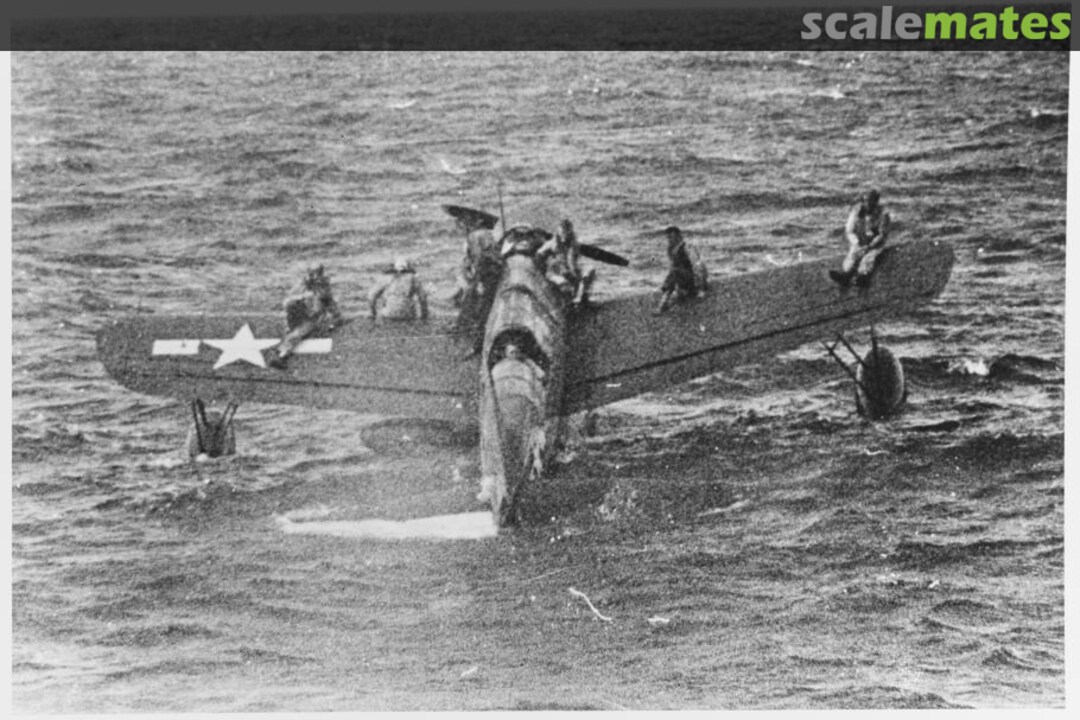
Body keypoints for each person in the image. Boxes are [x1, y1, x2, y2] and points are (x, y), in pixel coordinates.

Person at [269, 265, 344, 369]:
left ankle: (282, 356)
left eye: (316, 274)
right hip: (300, 314)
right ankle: (283, 348)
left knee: (296, 334)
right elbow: (289, 300)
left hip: (311, 319)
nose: (313, 277)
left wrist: (336, 318)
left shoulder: (322, 290)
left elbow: (330, 304)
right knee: (291, 310)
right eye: (312, 274)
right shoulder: (303, 286)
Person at [831, 188, 890, 288]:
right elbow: (849, 231)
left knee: (869, 257)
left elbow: (882, 234)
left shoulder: (883, 214)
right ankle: (845, 274)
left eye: (870, 201)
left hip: (875, 243)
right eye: (865, 200)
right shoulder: (856, 211)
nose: (868, 204)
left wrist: (870, 246)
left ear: (875, 201)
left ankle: (862, 275)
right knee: (853, 255)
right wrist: (856, 242)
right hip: (860, 240)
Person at [538, 218, 596, 306]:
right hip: (555, 273)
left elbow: (572, 262)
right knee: (564, 284)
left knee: (590, 270)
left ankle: (581, 297)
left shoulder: (575, 244)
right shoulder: (551, 244)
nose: (564, 236)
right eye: (563, 233)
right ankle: (567, 304)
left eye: (567, 233)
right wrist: (542, 269)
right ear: (559, 233)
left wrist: (576, 273)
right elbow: (539, 254)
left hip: (571, 271)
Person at [657, 225, 708, 312]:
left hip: (692, 279)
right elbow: (674, 265)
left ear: (678, 236)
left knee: (674, 272)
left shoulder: (687, 247)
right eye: (668, 238)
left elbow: (698, 266)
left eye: (672, 237)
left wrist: (701, 288)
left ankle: (664, 303)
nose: (670, 240)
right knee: (674, 271)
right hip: (682, 278)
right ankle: (668, 296)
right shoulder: (671, 249)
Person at [369, 257, 429, 322]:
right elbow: (423, 297)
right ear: (407, 268)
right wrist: (424, 316)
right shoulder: (413, 278)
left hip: (389, 314)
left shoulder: (385, 278)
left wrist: (373, 313)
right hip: (408, 314)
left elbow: (371, 295)